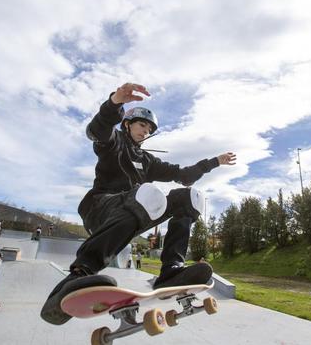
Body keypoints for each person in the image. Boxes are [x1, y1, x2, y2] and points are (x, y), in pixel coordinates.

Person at [41, 83, 236, 325]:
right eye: (141, 125)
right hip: (100, 209)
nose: (145, 131)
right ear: (127, 124)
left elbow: (184, 175)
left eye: (149, 128)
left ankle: (171, 270)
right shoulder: (114, 142)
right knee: (148, 194)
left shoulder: (147, 160)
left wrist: (214, 162)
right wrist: (114, 103)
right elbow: (97, 130)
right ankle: (80, 272)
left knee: (189, 198)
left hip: (132, 215)